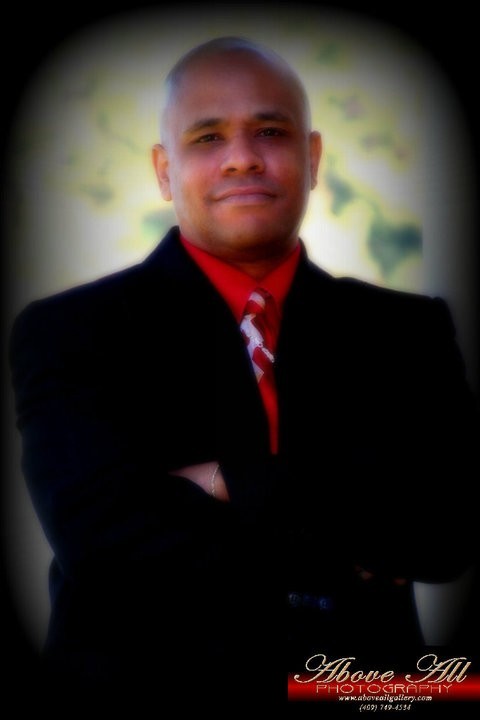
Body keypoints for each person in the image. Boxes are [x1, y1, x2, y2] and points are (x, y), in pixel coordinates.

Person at [8, 36, 478, 712]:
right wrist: (355, 521)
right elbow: (99, 546)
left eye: (270, 131)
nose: (242, 157)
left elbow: (448, 533)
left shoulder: (407, 331)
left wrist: (228, 480)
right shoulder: (71, 331)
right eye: (207, 138)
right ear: (164, 170)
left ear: (313, 158)